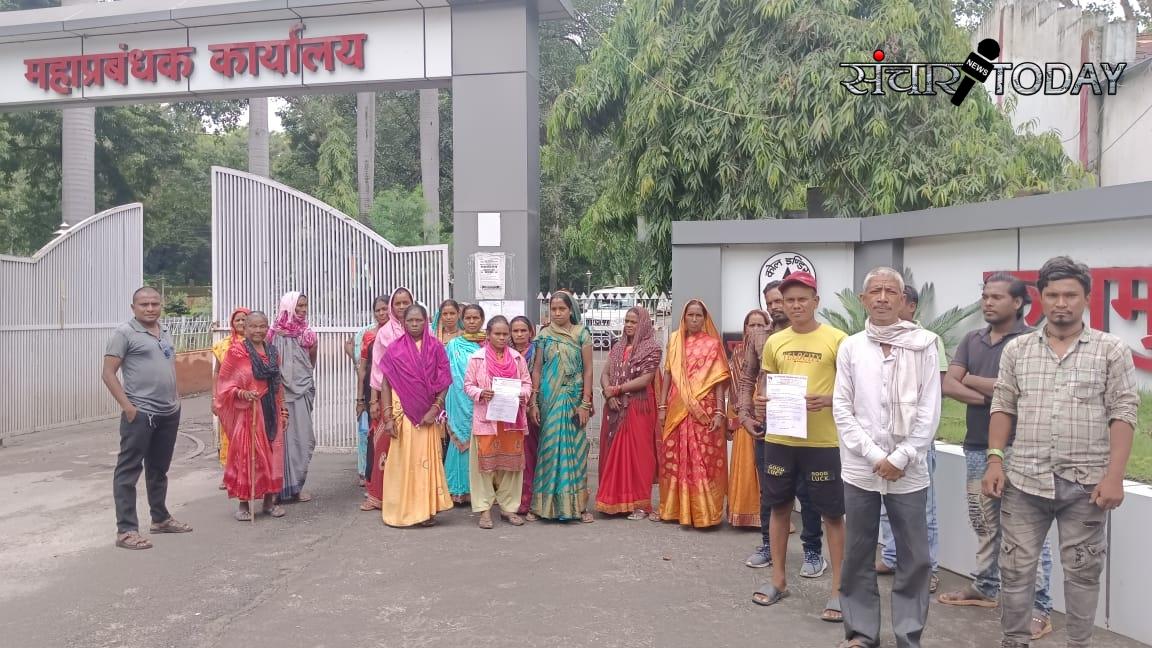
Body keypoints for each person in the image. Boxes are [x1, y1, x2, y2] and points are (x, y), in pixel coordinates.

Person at [983, 256, 1139, 648]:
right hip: (1024, 482)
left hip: (1086, 487)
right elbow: (1003, 405)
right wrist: (995, 459)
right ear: (1041, 299)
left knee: (1084, 573)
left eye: (1071, 294)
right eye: (1052, 294)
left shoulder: (1111, 350)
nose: (1061, 303)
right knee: (1015, 570)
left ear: (1087, 298)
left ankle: (1079, 643)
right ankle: (1014, 640)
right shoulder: (1018, 350)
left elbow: (1123, 412)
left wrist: (1115, 476)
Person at [938, 273, 1055, 641]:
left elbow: (1022, 392)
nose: (988, 302)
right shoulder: (972, 339)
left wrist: (972, 380)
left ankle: (1040, 608)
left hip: (1023, 446)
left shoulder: (1033, 342)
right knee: (984, 521)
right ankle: (986, 587)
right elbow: (948, 383)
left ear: (1018, 303)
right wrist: (990, 393)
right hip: (976, 444)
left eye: (997, 297)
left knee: (1028, 529)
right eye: (985, 296)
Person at [833, 268, 940, 648]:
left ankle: (908, 636)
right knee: (858, 553)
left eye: (889, 291)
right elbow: (842, 409)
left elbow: (930, 409)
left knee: (915, 558)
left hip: (908, 471)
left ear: (903, 300)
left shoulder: (925, 344)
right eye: (874, 291)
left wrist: (903, 456)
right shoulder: (851, 347)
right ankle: (862, 633)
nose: (881, 297)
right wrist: (877, 455)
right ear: (863, 300)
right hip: (860, 468)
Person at [749, 271, 846, 624]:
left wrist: (829, 400)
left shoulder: (838, 340)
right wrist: (761, 402)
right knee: (778, 508)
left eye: (802, 298)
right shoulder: (775, 342)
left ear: (816, 301)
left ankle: (838, 590)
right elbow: (765, 386)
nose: (795, 305)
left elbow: (853, 394)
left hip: (823, 442)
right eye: (789, 299)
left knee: (832, 514)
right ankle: (778, 579)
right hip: (780, 439)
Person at [736, 281, 826, 577]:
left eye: (781, 300)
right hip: (768, 429)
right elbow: (748, 379)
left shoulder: (818, 337)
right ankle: (768, 546)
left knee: (809, 493)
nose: (777, 306)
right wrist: (745, 414)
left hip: (808, 430)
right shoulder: (761, 337)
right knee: (771, 493)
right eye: (772, 301)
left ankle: (812, 550)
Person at [101, 286, 193, 550]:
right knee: (128, 471)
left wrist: (175, 401)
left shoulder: (164, 331)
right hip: (141, 413)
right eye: (144, 304)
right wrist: (129, 408)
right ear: (134, 308)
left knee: (159, 468)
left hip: (168, 412)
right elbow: (108, 373)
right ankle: (126, 530)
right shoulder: (124, 333)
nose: (150, 308)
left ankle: (160, 519)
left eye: (155, 303)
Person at [875, 284, 947, 594]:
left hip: (916, 441)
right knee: (885, 504)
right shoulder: (872, 342)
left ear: (910, 306)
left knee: (922, 509)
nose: (885, 303)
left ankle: (927, 567)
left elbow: (933, 395)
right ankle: (891, 557)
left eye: (894, 298)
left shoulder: (928, 343)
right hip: (882, 440)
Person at [376, 303, 454, 527]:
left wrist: (435, 408)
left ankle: (426, 510)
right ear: (403, 322)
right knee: (404, 462)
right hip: (403, 414)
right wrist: (388, 417)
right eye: (409, 321)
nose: (414, 324)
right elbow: (385, 384)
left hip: (427, 415)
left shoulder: (436, 348)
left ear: (426, 321)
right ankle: (404, 509)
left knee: (425, 462)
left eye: (418, 320)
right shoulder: (395, 349)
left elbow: (444, 380)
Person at [655, 299, 731, 528]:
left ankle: (704, 513)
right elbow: (667, 374)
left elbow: (718, 380)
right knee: (674, 457)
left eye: (699, 316)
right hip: (677, 405)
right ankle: (674, 509)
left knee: (704, 460)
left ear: (704, 318)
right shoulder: (675, 341)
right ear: (684, 317)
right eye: (691, 315)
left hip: (704, 409)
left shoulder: (712, 344)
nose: (695, 319)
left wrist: (719, 411)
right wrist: (662, 407)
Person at [215, 311, 288, 521]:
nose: (258, 331)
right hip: (248, 412)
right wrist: (242, 393)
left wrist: (283, 410)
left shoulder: (273, 352)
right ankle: (244, 503)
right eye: (253, 327)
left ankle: (268, 502)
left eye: (262, 326)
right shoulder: (236, 352)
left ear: (267, 328)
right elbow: (225, 384)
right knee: (247, 457)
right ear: (245, 329)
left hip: (270, 410)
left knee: (273, 456)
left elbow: (278, 384)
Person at [529, 291, 595, 523]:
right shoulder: (544, 335)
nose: (557, 313)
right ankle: (544, 507)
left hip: (574, 398)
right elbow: (537, 369)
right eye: (553, 309)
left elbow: (588, 370)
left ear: (571, 310)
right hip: (550, 398)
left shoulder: (581, 334)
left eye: (562, 309)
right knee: (548, 450)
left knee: (576, 452)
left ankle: (578, 507)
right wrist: (534, 401)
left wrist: (585, 403)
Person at [464, 316, 534, 528]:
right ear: (488, 335)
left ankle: (508, 508)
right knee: (484, 468)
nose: (502, 338)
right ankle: (484, 511)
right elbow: (467, 385)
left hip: (511, 421)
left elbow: (527, 383)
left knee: (511, 468)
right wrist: (480, 393)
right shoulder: (477, 359)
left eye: (506, 334)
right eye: (498, 334)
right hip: (487, 420)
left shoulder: (517, 359)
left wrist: (523, 395)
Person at [596, 306, 662, 519]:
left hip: (638, 407)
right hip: (614, 405)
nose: (628, 325)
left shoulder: (651, 348)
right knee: (612, 450)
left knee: (639, 455)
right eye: (626, 321)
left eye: (633, 321)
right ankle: (615, 500)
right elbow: (605, 373)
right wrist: (609, 395)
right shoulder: (617, 347)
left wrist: (617, 389)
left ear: (643, 323)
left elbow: (646, 379)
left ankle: (641, 505)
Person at [364, 288, 414, 511]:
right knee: (383, 444)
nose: (402, 307)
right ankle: (377, 495)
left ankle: (407, 496)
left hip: (415, 397)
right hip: (389, 395)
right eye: (398, 303)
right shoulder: (385, 333)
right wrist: (374, 401)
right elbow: (377, 369)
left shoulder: (423, 329)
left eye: (406, 302)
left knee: (410, 447)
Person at [268, 291, 318, 503]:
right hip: (281, 394)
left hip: (302, 392)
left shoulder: (308, 333)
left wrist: (301, 380)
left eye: (305, 306)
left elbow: (311, 363)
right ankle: (277, 490)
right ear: (288, 307)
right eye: (298, 306)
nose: (303, 310)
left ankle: (296, 486)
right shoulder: (272, 333)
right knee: (282, 442)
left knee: (303, 440)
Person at [726, 309, 772, 528]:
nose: (755, 329)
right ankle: (744, 514)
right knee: (745, 465)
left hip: (767, 413)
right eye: (750, 325)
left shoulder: (772, 349)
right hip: (744, 416)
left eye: (759, 325)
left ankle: (770, 520)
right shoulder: (738, 353)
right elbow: (736, 388)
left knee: (766, 470)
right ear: (744, 329)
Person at [445, 304, 487, 504]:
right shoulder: (453, 345)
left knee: (481, 445)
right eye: (468, 318)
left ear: (482, 320)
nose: (471, 322)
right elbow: (445, 372)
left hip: (482, 400)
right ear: (463, 319)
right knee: (458, 445)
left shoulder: (488, 344)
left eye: (475, 318)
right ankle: (456, 490)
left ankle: (478, 490)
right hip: (458, 400)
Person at [356, 296, 390, 511]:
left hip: (397, 392)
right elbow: (363, 368)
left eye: (385, 309)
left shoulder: (402, 333)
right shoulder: (370, 336)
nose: (382, 313)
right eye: (378, 310)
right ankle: (374, 490)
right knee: (373, 441)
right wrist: (361, 399)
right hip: (373, 391)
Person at [211, 307, 250, 490]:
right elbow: (217, 373)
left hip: (250, 397)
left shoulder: (258, 343)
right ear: (232, 324)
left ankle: (247, 474)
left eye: (244, 320)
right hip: (228, 399)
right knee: (229, 436)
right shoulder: (223, 345)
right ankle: (229, 476)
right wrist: (214, 398)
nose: (241, 323)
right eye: (237, 320)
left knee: (249, 436)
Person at [510, 315, 540, 516]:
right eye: (515, 331)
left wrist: (532, 403)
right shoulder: (506, 353)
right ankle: (512, 497)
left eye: (523, 330)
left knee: (531, 455)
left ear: (531, 332)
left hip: (531, 408)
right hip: (509, 410)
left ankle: (529, 499)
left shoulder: (537, 351)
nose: (519, 335)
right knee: (514, 456)